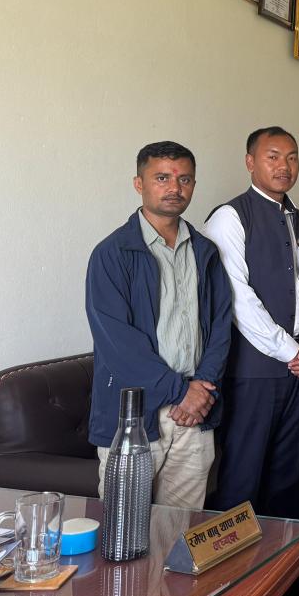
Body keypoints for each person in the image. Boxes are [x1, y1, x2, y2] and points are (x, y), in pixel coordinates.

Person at [85, 141, 232, 510]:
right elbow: (117, 343)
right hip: (135, 414)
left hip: (194, 414)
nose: (174, 188)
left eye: (185, 179)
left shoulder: (205, 251)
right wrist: (181, 392)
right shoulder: (112, 253)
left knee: (181, 529)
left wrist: (201, 391)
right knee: (124, 527)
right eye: (162, 178)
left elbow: (220, 328)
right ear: (139, 183)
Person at [203, 127, 299, 518]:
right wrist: (291, 350)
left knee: (287, 477)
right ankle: (235, 559)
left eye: (291, 157)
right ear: (250, 162)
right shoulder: (229, 216)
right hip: (254, 371)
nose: (284, 166)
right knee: (243, 476)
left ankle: (283, 555)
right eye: (272, 156)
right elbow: (236, 298)